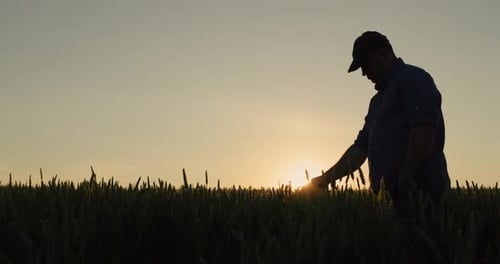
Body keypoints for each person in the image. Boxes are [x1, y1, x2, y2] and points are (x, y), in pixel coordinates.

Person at [310, 31, 451, 220]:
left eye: (365, 64)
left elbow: (424, 131)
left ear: (384, 53)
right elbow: (360, 149)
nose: (363, 73)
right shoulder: (377, 102)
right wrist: (325, 179)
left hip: (418, 195)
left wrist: (405, 178)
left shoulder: (413, 79)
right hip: (389, 201)